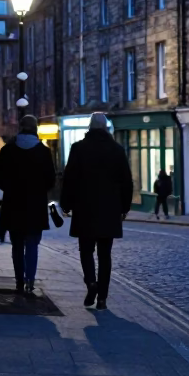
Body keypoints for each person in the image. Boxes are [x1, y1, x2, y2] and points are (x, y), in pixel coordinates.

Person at [59, 112, 132, 311]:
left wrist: (65, 204)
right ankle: (102, 298)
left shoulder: (78, 148)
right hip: (109, 209)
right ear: (106, 127)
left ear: (90, 127)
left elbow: (69, 179)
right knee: (105, 255)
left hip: (85, 208)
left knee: (86, 251)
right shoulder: (117, 150)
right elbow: (126, 181)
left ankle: (91, 282)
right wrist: (124, 207)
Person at [0, 115, 56, 295]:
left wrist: (10, 188)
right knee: (32, 244)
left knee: (17, 244)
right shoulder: (43, 152)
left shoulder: (8, 151)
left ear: (20, 128)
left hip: (13, 204)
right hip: (35, 205)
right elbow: (51, 180)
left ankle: (19, 280)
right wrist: (40, 190)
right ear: (35, 128)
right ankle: (30, 280)